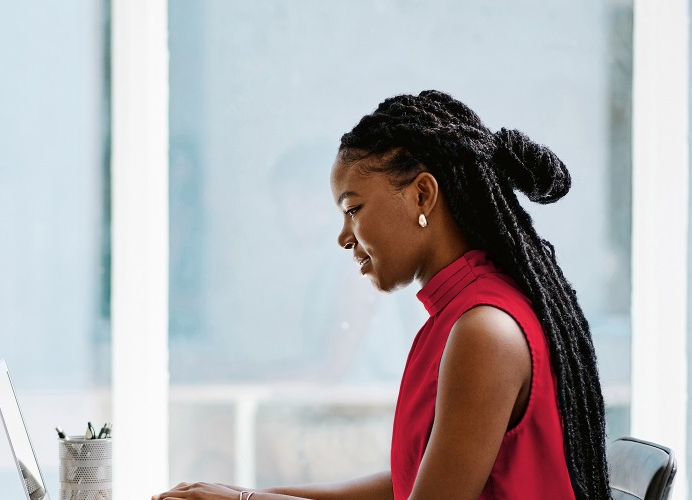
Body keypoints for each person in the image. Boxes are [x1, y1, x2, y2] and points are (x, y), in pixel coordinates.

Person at [156, 90, 610, 500]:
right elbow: (411, 480)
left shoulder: (484, 330)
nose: (344, 237)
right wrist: (247, 494)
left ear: (422, 195)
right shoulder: (459, 314)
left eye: (354, 209)